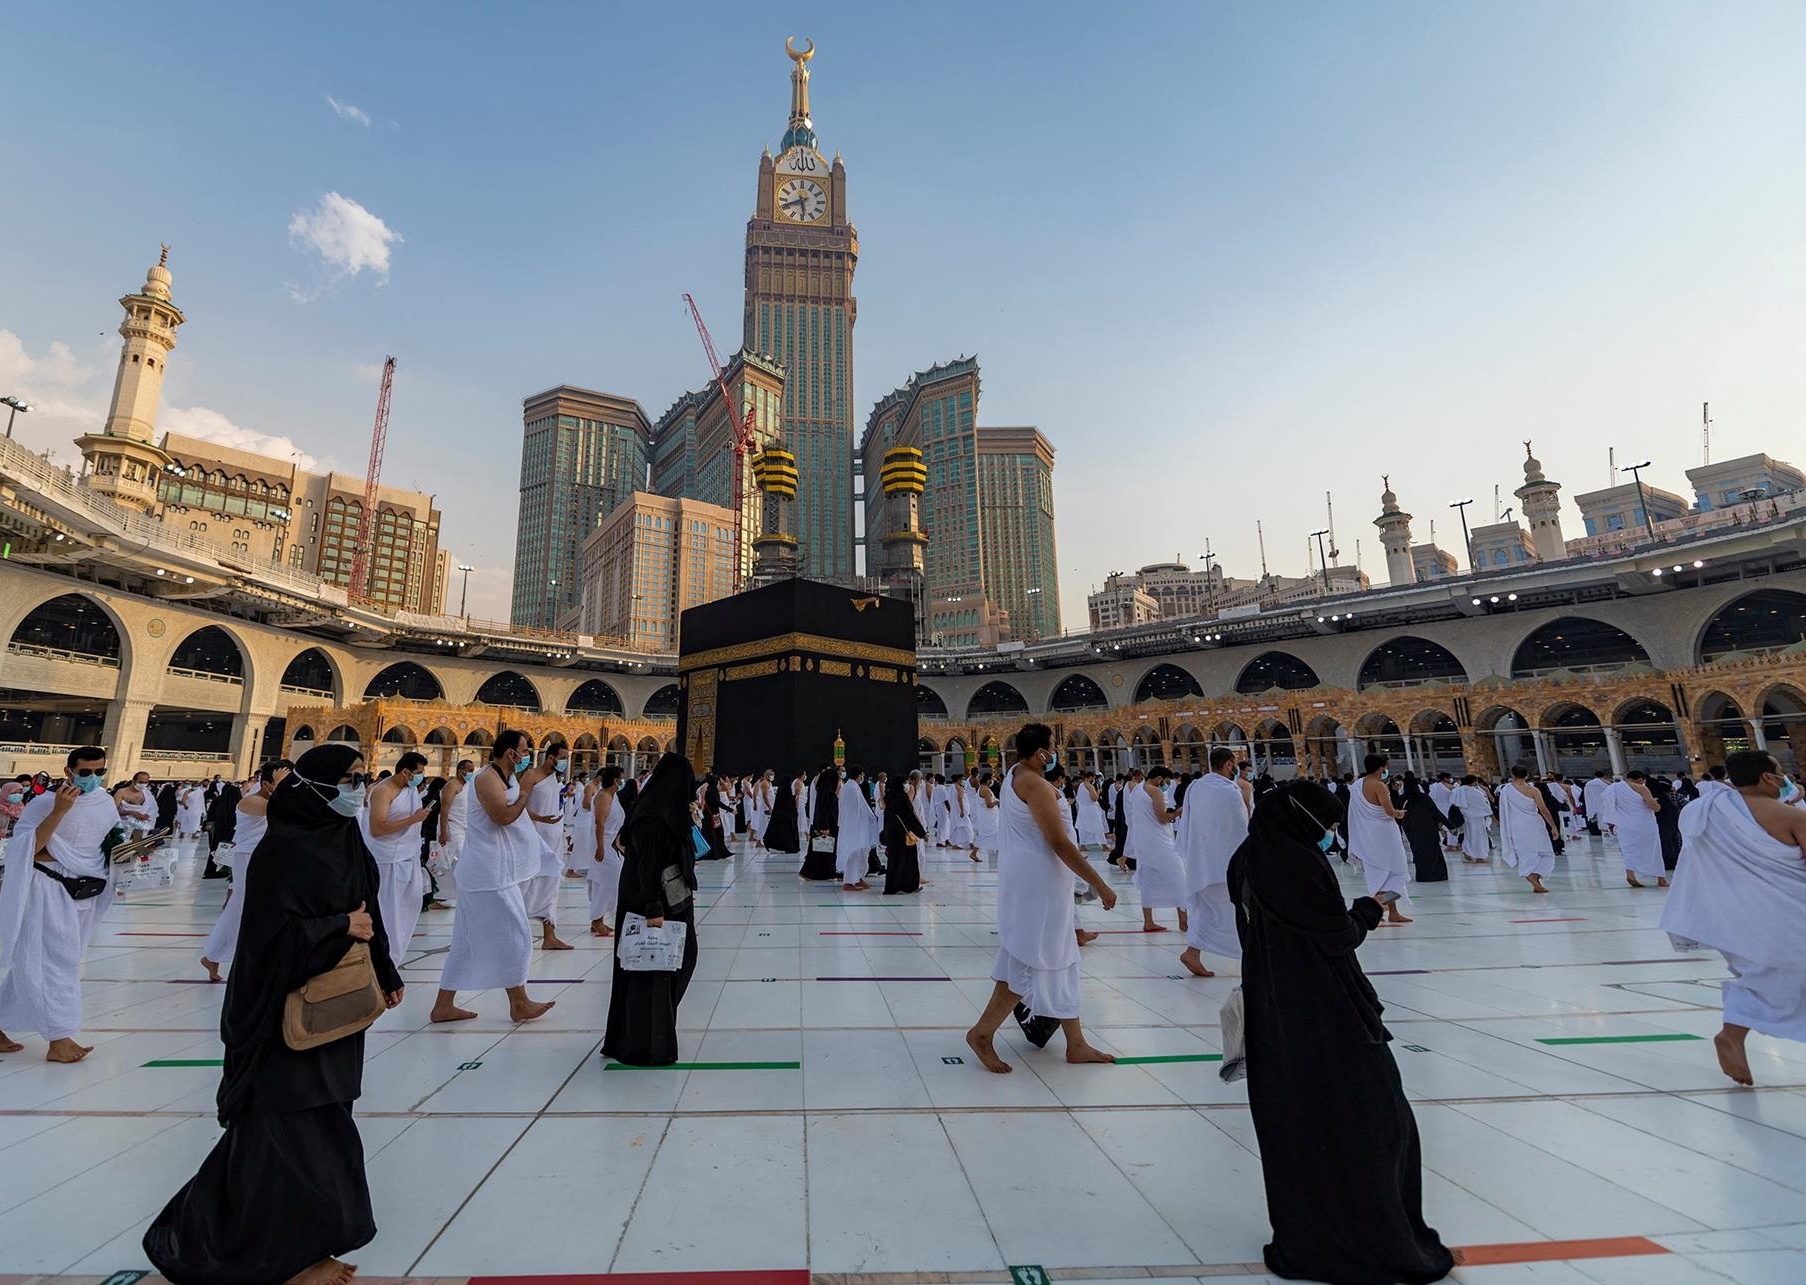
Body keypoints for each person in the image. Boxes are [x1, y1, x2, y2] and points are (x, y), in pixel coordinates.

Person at [144, 745, 404, 1285]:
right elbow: (267, 943)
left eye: (363, 777)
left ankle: (220, 1238)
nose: (359, 787)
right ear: (314, 787)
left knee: (325, 1121)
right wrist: (336, 927)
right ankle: (288, 1259)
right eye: (350, 779)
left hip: (333, 1010)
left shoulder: (346, 840)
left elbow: (368, 912)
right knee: (281, 1133)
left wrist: (386, 971)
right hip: (277, 1015)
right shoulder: (281, 851)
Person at [1227, 779, 1453, 1284]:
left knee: (1297, 1125)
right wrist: (1368, 908)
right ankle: (1368, 1232)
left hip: (1273, 1008)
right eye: (1327, 825)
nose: (1331, 835)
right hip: (1324, 1012)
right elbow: (1335, 937)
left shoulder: (1246, 858)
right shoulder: (1297, 863)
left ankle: (1310, 1229)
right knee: (1371, 1118)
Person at [964, 724, 1118, 1073]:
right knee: (1028, 959)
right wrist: (1098, 882)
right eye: (1053, 747)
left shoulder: (1018, 773)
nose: (1056, 753)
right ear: (1042, 753)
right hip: (1037, 885)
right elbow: (1058, 840)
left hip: (1042, 881)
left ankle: (1076, 1043)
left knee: (1062, 957)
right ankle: (982, 1033)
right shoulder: (1034, 783)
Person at [1662, 750, 1806, 1086]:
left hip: (1734, 915)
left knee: (1767, 979)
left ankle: (1733, 1034)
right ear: (1768, 777)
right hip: (1786, 913)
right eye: (1779, 772)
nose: (1784, 779)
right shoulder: (1791, 816)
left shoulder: (1705, 811)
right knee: (1784, 980)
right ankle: (1732, 1033)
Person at [0, 745, 122, 1062]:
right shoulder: (43, 803)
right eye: (85, 772)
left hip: (84, 891)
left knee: (45, 960)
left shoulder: (105, 802)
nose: (92, 778)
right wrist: (58, 812)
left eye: (99, 772)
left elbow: (106, 843)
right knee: (56, 962)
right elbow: (27, 849)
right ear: (69, 772)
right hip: (47, 889)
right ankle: (60, 1038)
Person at [429, 731, 558, 1024]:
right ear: (510, 752)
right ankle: (519, 1002)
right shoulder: (487, 778)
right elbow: (502, 816)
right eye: (524, 750)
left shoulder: (506, 777)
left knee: (466, 941)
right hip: (487, 874)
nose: (527, 756)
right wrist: (524, 796)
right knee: (516, 935)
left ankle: (443, 1006)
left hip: (497, 871)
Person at [601, 753, 701, 1067]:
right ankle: (646, 1044)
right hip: (653, 903)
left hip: (670, 899)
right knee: (651, 969)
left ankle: (650, 1033)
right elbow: (646, 866)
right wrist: (653, 908)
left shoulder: (663, 810)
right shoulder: (652, 815)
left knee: (673, 963)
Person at [200, 760, 293, 982]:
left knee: (255, 906)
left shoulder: (271, 798)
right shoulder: (251, 801)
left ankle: (225, 956)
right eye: (282, 782)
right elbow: (282, 809)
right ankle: (213, 955)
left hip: (268, 857)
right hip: (249, 857)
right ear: (267, 783)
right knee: (241, 905)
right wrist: (281, 785)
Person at [1175, 747, 1248, 979]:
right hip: (1224, 863)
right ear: (1229, 765)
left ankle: (1192, 952)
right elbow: (1240, 828)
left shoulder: (1196, 787)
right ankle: (1256, 956)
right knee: (1238, 911)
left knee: (1208, 910)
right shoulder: (1230, 791)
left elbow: (1187, 821)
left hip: (1200, 860)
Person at [362, 751, 431, 975]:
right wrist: (415, 818)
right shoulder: (384, 790)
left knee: (407, 907)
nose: (421, 777)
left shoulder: (408, 790)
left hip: (407, 856)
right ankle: (384, 957)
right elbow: (377, 828)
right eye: (419, 773)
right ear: (406, 771)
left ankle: (395, 954)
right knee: (388, 910)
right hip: (387, 860)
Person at [1346, 754, 1413, 923]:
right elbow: (1389, 811)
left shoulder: (1356, 785)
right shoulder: (1379, 786)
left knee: (1380, 874)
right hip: (1385, 835)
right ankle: (1374, 905)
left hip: (1367, 835)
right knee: (1396, 872)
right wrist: (1399, 813)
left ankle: (1393, 912)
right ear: (1381, 768)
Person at [1125, 764, 1189, 933]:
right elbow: (1162, 818)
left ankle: (1149, 921)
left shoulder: (1138, 788)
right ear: (1159, 778)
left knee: (1148, 878)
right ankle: (1184, 920)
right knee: (1178, 875)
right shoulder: (1156, 791)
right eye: (1164, 781)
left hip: (1142, 841)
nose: (1164, 784)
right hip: (1159, 841)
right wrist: (1177, 813)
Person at [523, 741, 574, 950]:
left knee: (551, 887)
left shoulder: (556, 779)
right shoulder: (532, 776)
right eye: (561, 757)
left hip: (553, 842)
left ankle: (549, 936)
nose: (563, 762)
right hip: (534, 839)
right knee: (525, 886)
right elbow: (519, 806)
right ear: (551, 757)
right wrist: (540, 818)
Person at [1497, 764, 1558, 893]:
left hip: (1516, 825)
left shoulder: (1506, 790)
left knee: (1525, 851)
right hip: (1534, 824)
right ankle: (1533, 875)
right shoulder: (1533, 791)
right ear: (1527, 775)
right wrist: (1553, 826)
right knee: (1543, 850)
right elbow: (1543, 810)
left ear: (1512, 775)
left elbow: (1504, 810)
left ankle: (1532, 874)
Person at [1607, 770, 1668, 888]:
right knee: (1653, 850)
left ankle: (1630, 874)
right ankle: (1661, 879)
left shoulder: (1614, 788)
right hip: (1643, 823)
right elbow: (1651, 805)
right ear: (1640, 779)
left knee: (1629, 849)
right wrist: (1658, 806)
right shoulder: (1641, 788)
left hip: (1624, 824)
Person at [588, 765, 626, 936]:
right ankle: (596, 920)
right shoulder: (603, 797)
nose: (622, 781)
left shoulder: (613, 796)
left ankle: (599, 919)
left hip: (612, 844)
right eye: (620, 778)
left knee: (607, 881)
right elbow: (600, 823)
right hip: (602, 844)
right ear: (614, 780)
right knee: (608, 882)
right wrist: (600, 846)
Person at [1397, 774, 1449, 883]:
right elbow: (1436, 812)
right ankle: (1438, 875)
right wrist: (1449, 824)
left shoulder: (1402, 799)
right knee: (1433, 851)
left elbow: (1398, 816)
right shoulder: (1424, 797)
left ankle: (1423, 876)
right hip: (1429, 828)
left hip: (1412, 829)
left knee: (1419, 852)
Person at [838, 766, 879, 890]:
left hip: (857, 827)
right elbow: (858, 808)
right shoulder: (851, 788)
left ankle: (858, 878)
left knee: (861, 853)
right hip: (853, 827)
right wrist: (871, 817)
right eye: (862, 775)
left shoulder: (852, 786)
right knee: (853, 853)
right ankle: (849, 882)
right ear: (859, 775)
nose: (863, 777)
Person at [802, 765, 841, 880]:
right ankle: (819, 873)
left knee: (820, 851)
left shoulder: (824, 791)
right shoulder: (826, 793)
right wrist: (825, 827)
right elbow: (823, 811)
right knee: (822, 851)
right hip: (826, 826)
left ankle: (824, 872)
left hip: (825, 825)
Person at [1451, 774, 1493, 863]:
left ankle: (1467, 851)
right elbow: (1484, 805)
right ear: (1474, 782)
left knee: (1468, 835)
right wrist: (1492, 815)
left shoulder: (1457, 791)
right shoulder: (1476, 792)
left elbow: (1453, 802)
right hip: (1477, 818)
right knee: (1479, 837)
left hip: (1465, 817)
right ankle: (1479, 856)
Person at [764, 769, 803, 854]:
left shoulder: (781, 790)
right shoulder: (785, 790)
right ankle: (789, 847)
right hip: (785, 817)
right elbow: (788, 803)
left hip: (781, 816)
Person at [1650, 775, 1683, 871]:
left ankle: (1666, 862)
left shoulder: (1654, 797)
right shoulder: (1672, 795)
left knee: (1665, 842)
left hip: (1661, 823)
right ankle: (1675, 861)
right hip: (1673, 820)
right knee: (1674, 840)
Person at [1583, 767, 1613, 836]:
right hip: (1605, 805)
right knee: (1607, 822)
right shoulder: (1605, 783)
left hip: (1593, 805)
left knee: (1601, 823)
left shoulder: (1588, 784)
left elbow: (1586, 796)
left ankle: (1606, 838)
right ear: (1604, 776)